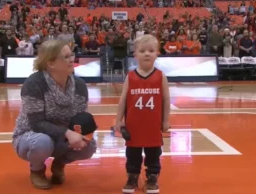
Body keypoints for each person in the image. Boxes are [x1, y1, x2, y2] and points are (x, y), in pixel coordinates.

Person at [12, 40, 96, 190]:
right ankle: (37, 170)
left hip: (62, 137)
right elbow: (36, 123)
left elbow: (80, 119)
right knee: (41, 142)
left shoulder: (80, 85)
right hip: (31, 135)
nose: (72, 60)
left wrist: (81, 134)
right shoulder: (34, 83)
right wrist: (67, 133)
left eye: (72, 55)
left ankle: (59, 164)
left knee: (89, 146)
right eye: (66, 57)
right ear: (51, 63)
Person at [115, 34, 170, 194]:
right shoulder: (130, 76)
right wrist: (118, 120)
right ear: (135, 55)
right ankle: (132, 177)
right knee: (132, 154)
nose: (147, 53)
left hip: (153, 125)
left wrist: (166, 121)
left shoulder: (161, 76)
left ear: (157, 54)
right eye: (143, 51)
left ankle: (152, 178)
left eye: (151, 50)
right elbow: (123, 100)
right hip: (133, 125)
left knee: (153, 154)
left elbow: (166, 100)